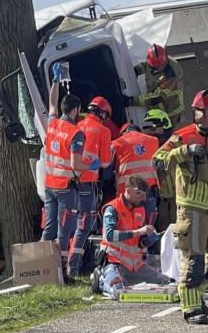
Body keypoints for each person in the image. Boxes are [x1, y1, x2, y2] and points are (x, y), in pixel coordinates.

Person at [153, 89, 208, 325]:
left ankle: (194, 294)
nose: (201, 115)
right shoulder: (181, 136)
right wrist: (183, 152)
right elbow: (157, 160)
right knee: (193, 260)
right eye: (198, 110)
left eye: (206, 110)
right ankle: (191, 306)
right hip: (191, 209)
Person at [41, 62, 98, 269]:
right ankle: (61, 271)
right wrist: (91, 165)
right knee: (64, 230)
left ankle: (43, 268)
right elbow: (76, 164)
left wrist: (55, 80)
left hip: (49, 186)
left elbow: (52, 103)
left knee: (48, 229)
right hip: (66, 188)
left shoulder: (52, 123)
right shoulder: (76, 133)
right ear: (76, 110)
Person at [97, 174, 172, 298]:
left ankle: (123, 280)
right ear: (128, 190)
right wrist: (138, 232)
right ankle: (101, 278)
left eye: (144, 195)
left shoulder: (140, 210)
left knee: (165, 281)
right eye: (138, 194)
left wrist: (149, 240)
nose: (142, 199)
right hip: (115, 262)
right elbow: (109, 235)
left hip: (136, 266)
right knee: (117, 292)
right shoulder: (112, 209)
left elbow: (140, 242)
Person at [66, 96, 114, 278]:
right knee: (84, 226)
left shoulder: (76, 126)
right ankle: (74, 269)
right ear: (102, 113)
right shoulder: (103, 130)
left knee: (68, 225)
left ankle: (63, 266)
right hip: (87, 182)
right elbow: (105, 162)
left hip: (68, 181)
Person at [112, 123, 161, 232]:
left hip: (128, 193)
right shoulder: (153, 140)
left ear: (123, 133)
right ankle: (146, 248)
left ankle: (134, 248)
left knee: (130, 226)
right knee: (148, 227)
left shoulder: (116, 144)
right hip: (150, 190)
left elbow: (107, 173)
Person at [143, 109, 178, 234]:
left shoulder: (176, 146)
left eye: (154, 128)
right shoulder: (148, 148)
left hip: (178, 201)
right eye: (147, 128)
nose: (150, 132)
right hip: (161, 202)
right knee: (161, 236)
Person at [131, 44, 185, 123]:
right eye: (158, 67)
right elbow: (146, 66)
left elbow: (157, 97)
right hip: (157, 111)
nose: (161, 68)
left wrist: (132, 101)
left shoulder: (170, 75)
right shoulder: (155, 61)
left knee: (168, 133)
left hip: (170, 113)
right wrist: (136, 70)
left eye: (162, 65)